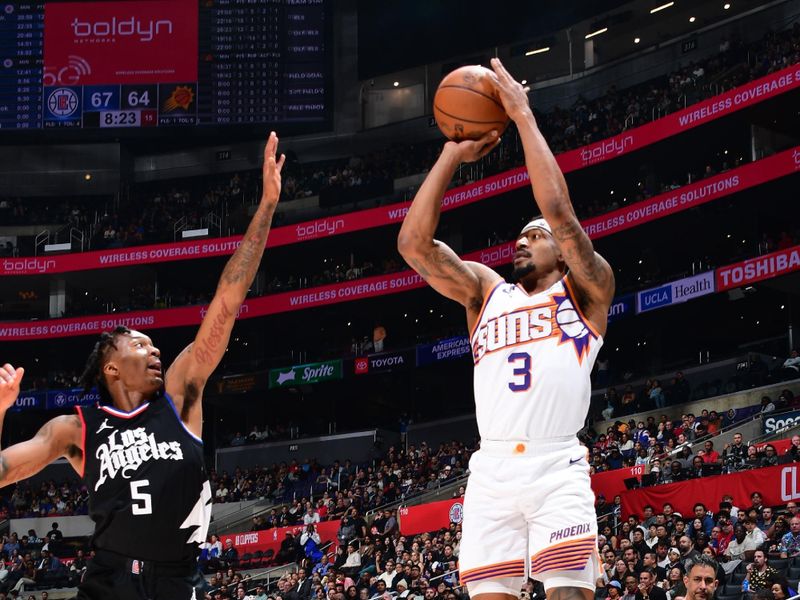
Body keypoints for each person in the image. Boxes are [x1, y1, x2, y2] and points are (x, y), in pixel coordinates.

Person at [0, 132, 286, 600]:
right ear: (111, 368)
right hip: (110, 580)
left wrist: (268, 205)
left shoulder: (180, 395)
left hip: (178, 578)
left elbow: (229, 299)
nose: (154, 350)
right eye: (140, 343)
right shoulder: (75, 430)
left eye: (154, 345)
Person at [398, 58, 614, 600]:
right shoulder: (486, 293)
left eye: (534, 236)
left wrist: (522, 117)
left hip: (556, 463)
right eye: (519, 236)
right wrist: (451, 154)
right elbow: (413, 247)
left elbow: (560, 212)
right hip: (490, 469)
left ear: (563, 253)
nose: (522, 240)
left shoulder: (588, 290)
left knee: (568, 594)